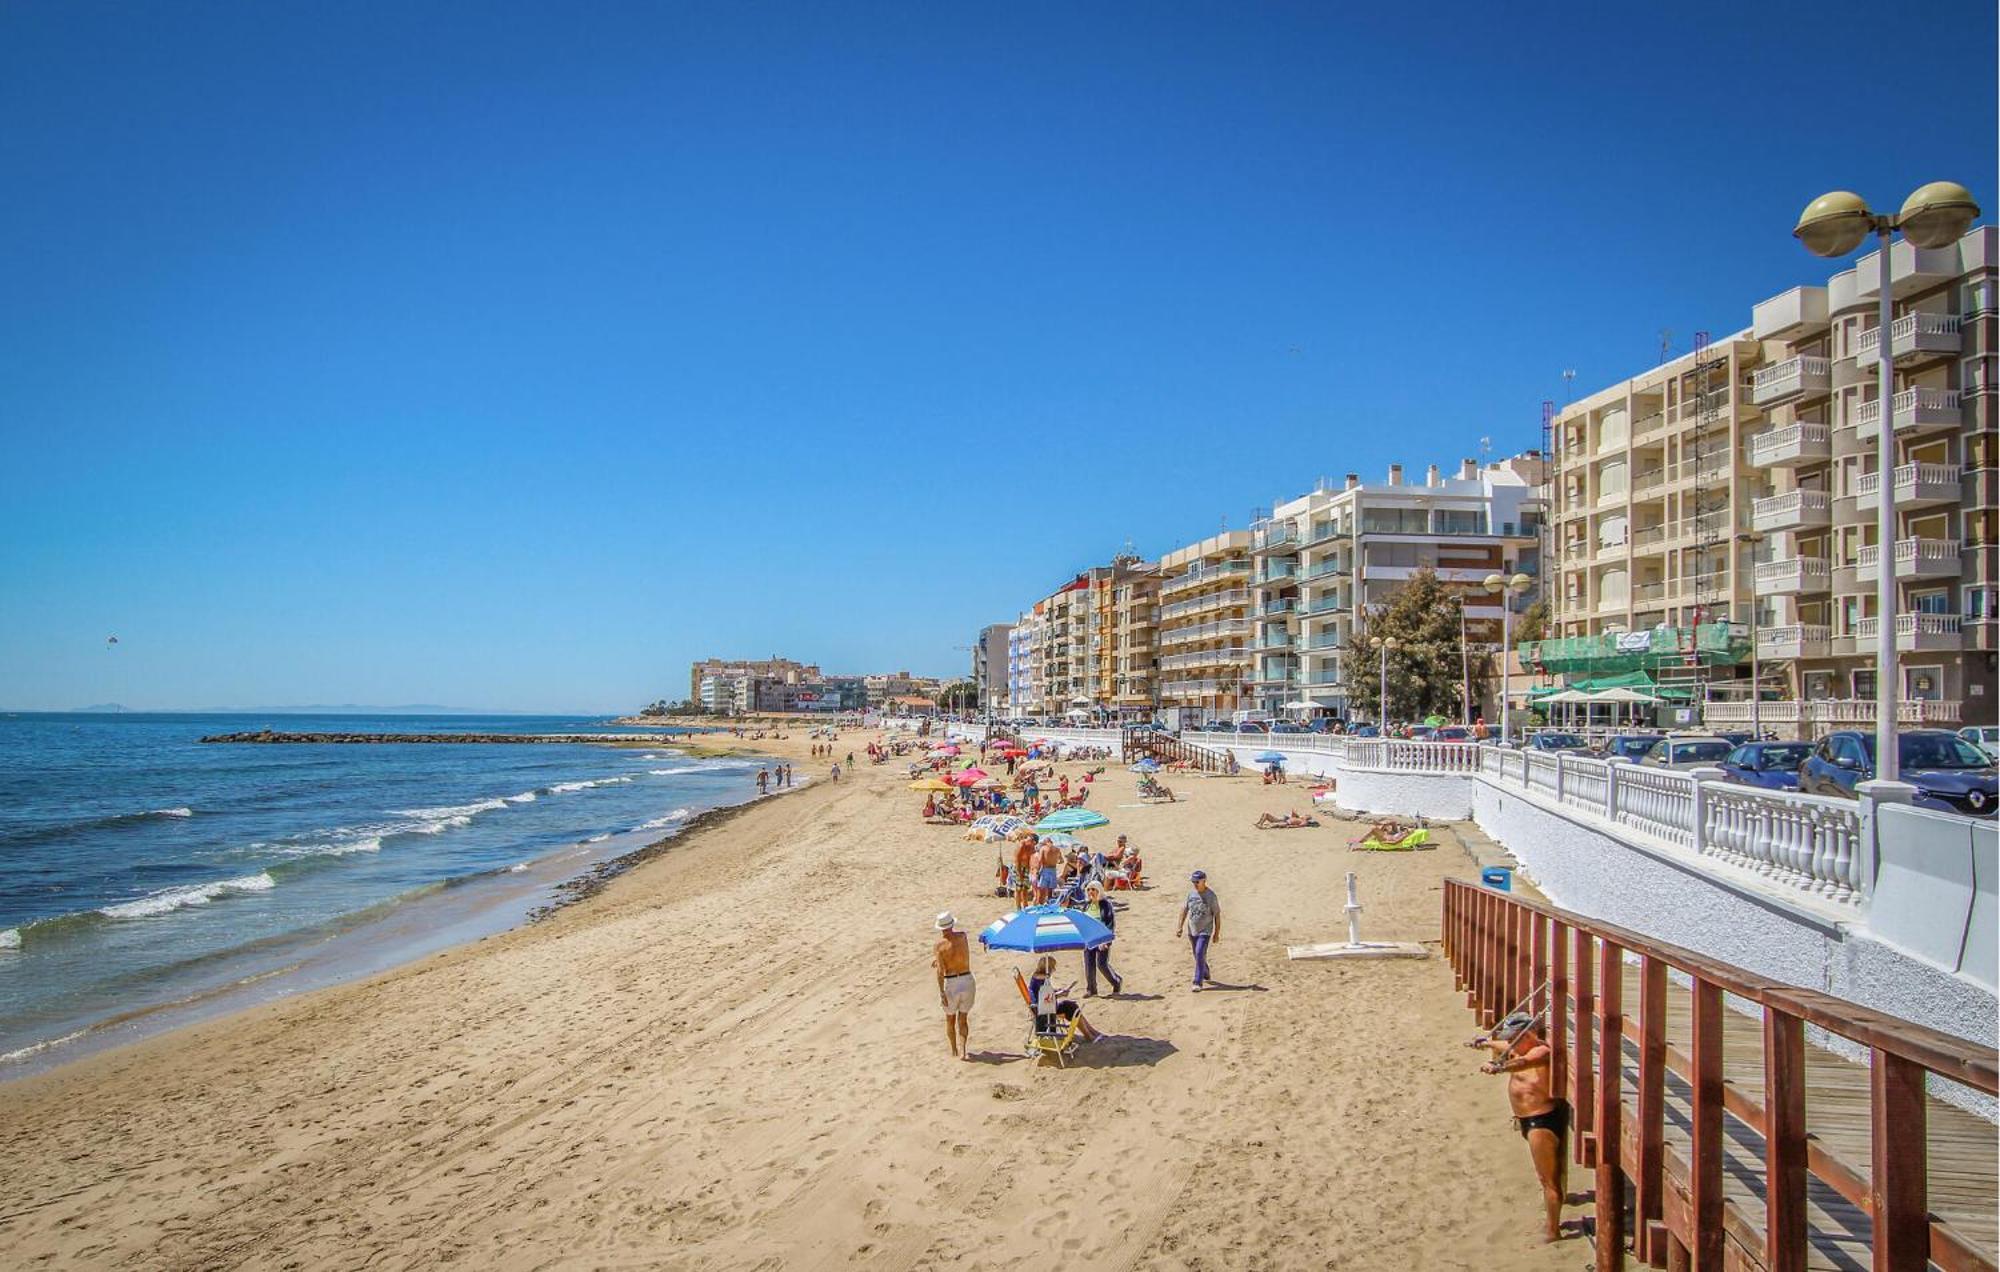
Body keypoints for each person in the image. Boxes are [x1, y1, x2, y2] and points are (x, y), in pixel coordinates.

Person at [1475, 1012, 1568, 1243]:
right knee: (1548, 1175)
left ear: (1528, 1034)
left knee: (1547, 1180)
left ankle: (1553, 1230)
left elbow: (1523, 1062)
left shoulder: (1540, 1051)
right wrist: (1485, 1042)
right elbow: (1504, 1045)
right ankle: (1553, 1220)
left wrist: (1499, 1067)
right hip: (1527, 1120)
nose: (1511, 1043)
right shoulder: (1521, 1046)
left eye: (1515, 1038)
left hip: (1541, 1122)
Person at [933, 912, 976, 1060]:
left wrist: (941, 992)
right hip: (967, 978)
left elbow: (940, 971)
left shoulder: (939, 946)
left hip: (952, 981)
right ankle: (963, 1050)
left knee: (950, 1019)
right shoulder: (963, 937)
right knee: (963, 1018)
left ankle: (953, 1050)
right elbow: (956, 951)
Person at [1027, 955, 1100, 1041]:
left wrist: (1057, 990)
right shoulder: (1042, 980)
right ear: (1048, 969)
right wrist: (1060, 994)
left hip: (1045, 1008)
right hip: (1046, 1011)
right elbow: (1045, 999)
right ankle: (1089, 1035)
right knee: (1072, 1008)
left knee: (1071, 1006)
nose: (1054, 970)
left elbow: (1045, 993)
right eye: (1053, 968)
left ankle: (1091, 1031)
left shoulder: (1036, 977)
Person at [1175, 869, 1221, 991]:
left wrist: (1216, 933)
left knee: (1200, 952)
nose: (1195, 884)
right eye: (1193, 881)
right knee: (1197, 955)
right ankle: (1205, 971)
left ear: (1204, 881)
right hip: (1192, 930)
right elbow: (1184, 910)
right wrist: (1179, 926)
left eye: (1197, 881)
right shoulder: (1191, 894)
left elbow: (1217, 915)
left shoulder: (1211, 896)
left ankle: (1197, 982)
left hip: (1205, 930)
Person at [1080, 880, 1123, 995]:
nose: (1091, 892)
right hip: (1089, 938)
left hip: (1102, 938)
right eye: (1089, 890)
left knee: (1102, 964)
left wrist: (1106, 940)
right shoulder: (1086, 905)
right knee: (1089, 964)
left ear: (1099, 891)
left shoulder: (1105, 905)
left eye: (1093, 889)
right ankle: (1091, 989)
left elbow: (1110, 923)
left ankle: (1116, 981)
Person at [1034, 835, 1061, 905]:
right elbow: (1061, 860)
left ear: (1045, 842)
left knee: (1042, 889)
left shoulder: (1043, 848)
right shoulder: (1057, 849)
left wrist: (1037, 871)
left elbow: (1040, 860)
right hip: (1053, 869)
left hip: (1045, 869)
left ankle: (1040, 905)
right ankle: (1049, 903)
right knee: (1050, 890)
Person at [1012, 836, 1036, 910]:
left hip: (1027, 868)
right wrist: (1020, 874)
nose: (1033, 844)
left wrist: (1031, 870)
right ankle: (1018, 907)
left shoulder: (1032, 847)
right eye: (1031, 841)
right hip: (1019, 867)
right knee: (1018, 889)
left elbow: (1032, 859)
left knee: (1025, 888)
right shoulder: (1022, 846)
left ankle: (1025, 906)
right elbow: (1017, 861)